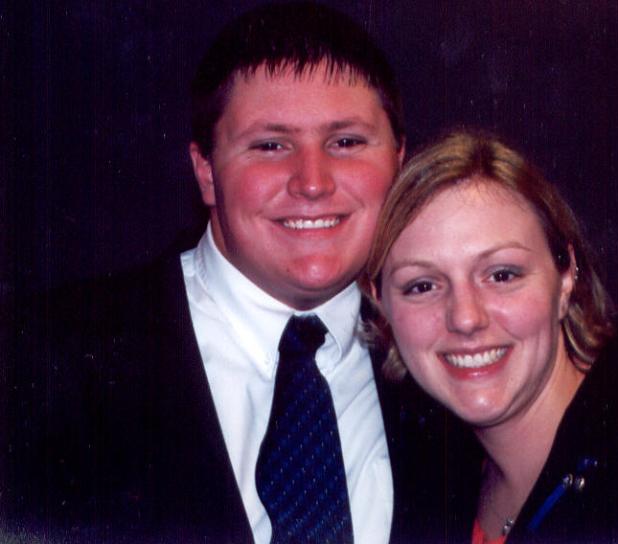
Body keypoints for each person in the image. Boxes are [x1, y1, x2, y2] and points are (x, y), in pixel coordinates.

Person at [2, 4, 410, 543]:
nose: (312, 182)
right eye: (271, 145)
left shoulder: (448, 368)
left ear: (399, 161)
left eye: (346, 142)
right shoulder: (39, 361)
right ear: (206, 173)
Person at [364, 131, 618, 542]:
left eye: (502, 275)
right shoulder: (423, 486)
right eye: (422, 286)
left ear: (565, 277)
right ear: (382, 306)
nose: (465, 318)